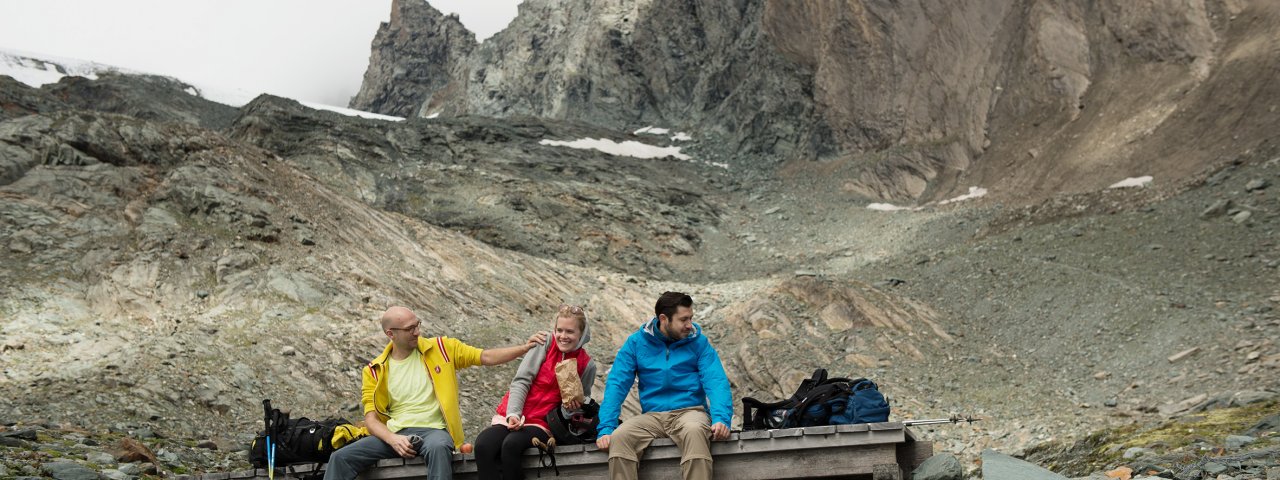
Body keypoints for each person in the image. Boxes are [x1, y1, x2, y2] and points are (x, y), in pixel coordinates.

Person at [324, 306, 547, 480]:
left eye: (417, 324)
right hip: (396, 433)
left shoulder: (441, 348)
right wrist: (393, 440)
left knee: (439, 448)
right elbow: (371, 420)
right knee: (340, 458)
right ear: (390, 334)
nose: (417, 331)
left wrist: (523, 348)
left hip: (435, 431)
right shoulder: (374, 369)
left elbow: (485, 357)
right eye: (410, 329)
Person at [595, 291, 732, 480]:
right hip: (652, 417)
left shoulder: (699, 342)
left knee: (694, 432)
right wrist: (606, 428)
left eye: (691, 318)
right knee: (620, 438)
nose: (689, 325)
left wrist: (721, 419)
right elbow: (617, 384)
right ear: (663, 318)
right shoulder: (636, 343)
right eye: (683, 319)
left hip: (690, 412)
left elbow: (716, 381)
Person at [474, 304, 597, 480]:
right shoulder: (545, 343)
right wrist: (513, 414)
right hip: (512, 414)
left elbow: (579, 408)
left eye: (570, 332)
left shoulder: (587, 365)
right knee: (483, 446)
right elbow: (522, 380)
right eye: (559, 330)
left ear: (582, 334)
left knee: (511, 445)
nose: (563, 336)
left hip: (543, 423)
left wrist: (571, 409)